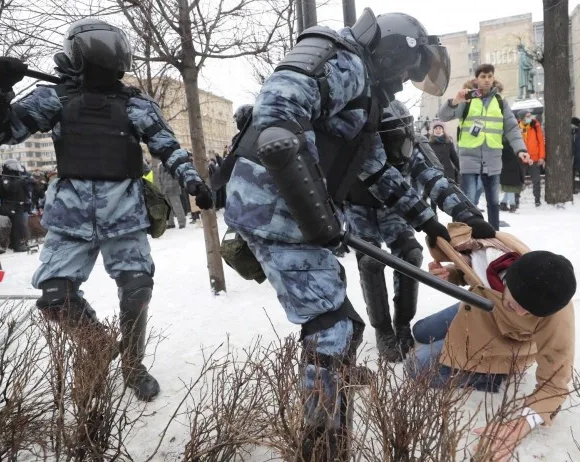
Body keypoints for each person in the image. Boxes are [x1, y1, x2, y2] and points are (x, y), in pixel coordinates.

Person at [223, 9, 472, 459]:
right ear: (393, 52)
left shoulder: (364, 95)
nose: (400, 85)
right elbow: (277, 124)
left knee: (340, 327)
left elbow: (376, 168)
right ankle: (323, 447)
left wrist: (429, 221)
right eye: (403, 73)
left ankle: (328, 416)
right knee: (331, 327)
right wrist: (319, 219)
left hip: (291, 213)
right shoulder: (342, 60)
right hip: (276, 211)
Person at [0, 18, 213, 401]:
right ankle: (99, 345)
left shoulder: (135, 104)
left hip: (124, 214)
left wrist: (191, 180)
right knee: (55, 297)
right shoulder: (55, 98)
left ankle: (133, 364)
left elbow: (167, 144)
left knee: (137, 289)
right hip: (70, 217)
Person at [407, 222, 576, 462]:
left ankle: (491, 375)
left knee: (417, 367)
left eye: (529, 313)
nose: (521, 314)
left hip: (501, 340)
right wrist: (453, 274)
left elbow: (556, 382)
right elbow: (473, 270)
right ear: (510, 280)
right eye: (517, 304)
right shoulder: (499, 255)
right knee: (420, 331)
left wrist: (522, 423)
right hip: (476, 306)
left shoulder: (555, 312)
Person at [345, 101, 493, 362]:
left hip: (397, 210)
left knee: (410, 255)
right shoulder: (356, 146)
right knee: (370, 261)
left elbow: (435, 180)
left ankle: (402, 322)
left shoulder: (412, 147)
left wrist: (466, 214)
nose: (398, 142)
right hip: (359, 210)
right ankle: (382, 329)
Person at [438, 64, 530, 230]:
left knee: (493, 202)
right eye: (483, 77)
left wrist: (521, 150)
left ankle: (494, 233)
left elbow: (511, 128)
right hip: (469, 158)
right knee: (470, 201)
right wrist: (455, 101)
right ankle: (468, 233)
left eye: (489, 76)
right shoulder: (467, 99)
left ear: (493, 78)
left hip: (493, 159)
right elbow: (443, 116)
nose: (487, 80)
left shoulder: (500, 102)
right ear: (476, 79)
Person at [0, 159, 33, 252]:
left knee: (19, 226)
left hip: (20, 205)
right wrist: (21, 181)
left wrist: (31, 183)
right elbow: (10, 188)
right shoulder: (5, 178)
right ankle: (17, 245)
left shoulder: (18, 177)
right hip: (11, 205)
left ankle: (15, 244)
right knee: (18, 226)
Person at [517, 111, 545, 206]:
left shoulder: (535, 126)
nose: (530, 117)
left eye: (530, 116)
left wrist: (541, 157)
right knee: (519, 181)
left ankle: (537, 200)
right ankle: (516, 200)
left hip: (534, 158)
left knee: (536, 180)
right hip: (521, 158)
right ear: (521, 118)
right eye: (527, 116)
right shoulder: (517, 128)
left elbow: (541, 142)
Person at [500, 137, 528, 212]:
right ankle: (512, 205)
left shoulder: (504, 143)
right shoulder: (510, 144)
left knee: (509, 188)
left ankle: (503, 203)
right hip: (511, 168)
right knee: (511, 188)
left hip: (509, 168)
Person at [157, 163, 186, 229]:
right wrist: (161, 187)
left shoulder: (173, 163)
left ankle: (182, 222)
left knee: (177, 207)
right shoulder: (161, 166)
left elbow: (178, 175)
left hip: (173, 188)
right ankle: (170, 223)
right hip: (164, 190)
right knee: (168, 208)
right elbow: (159, 177)